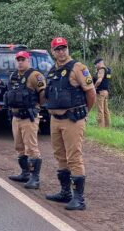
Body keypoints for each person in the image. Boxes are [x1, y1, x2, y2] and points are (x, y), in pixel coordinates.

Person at [45, 37, 96, 210]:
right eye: (57, 49)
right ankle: (65, 192)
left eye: (63, 48)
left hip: (73, 119)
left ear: (67, 49)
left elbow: (91, 93)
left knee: (74, 156)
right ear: (52, 52)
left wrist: (84, 113)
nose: (61, 51)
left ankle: (79, 199)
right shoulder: (52, 71)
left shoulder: (78, 68)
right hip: (55, 120)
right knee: (60, 156)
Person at [5, 51, 46, 189]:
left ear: (29, 61)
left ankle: (35, 178)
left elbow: (43, 94)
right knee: (19, 147)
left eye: (23, 59)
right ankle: (25, 173)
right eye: (18, 60)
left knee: (32, 148)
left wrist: (36, 107)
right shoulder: (14, 75)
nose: (20, 62)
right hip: (15, 117)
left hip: (29, 117)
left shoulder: (35, 76)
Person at [94, 58, 111, 127]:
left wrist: (94, 87)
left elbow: (99, 80)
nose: (95, 66)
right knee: (106, 109)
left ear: (99, 63)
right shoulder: (108, 70)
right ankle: (107, 125)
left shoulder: (101, 70)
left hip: (100, 92)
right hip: (106, 92)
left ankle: (100, 126)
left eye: (96, 64)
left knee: (100, 109)